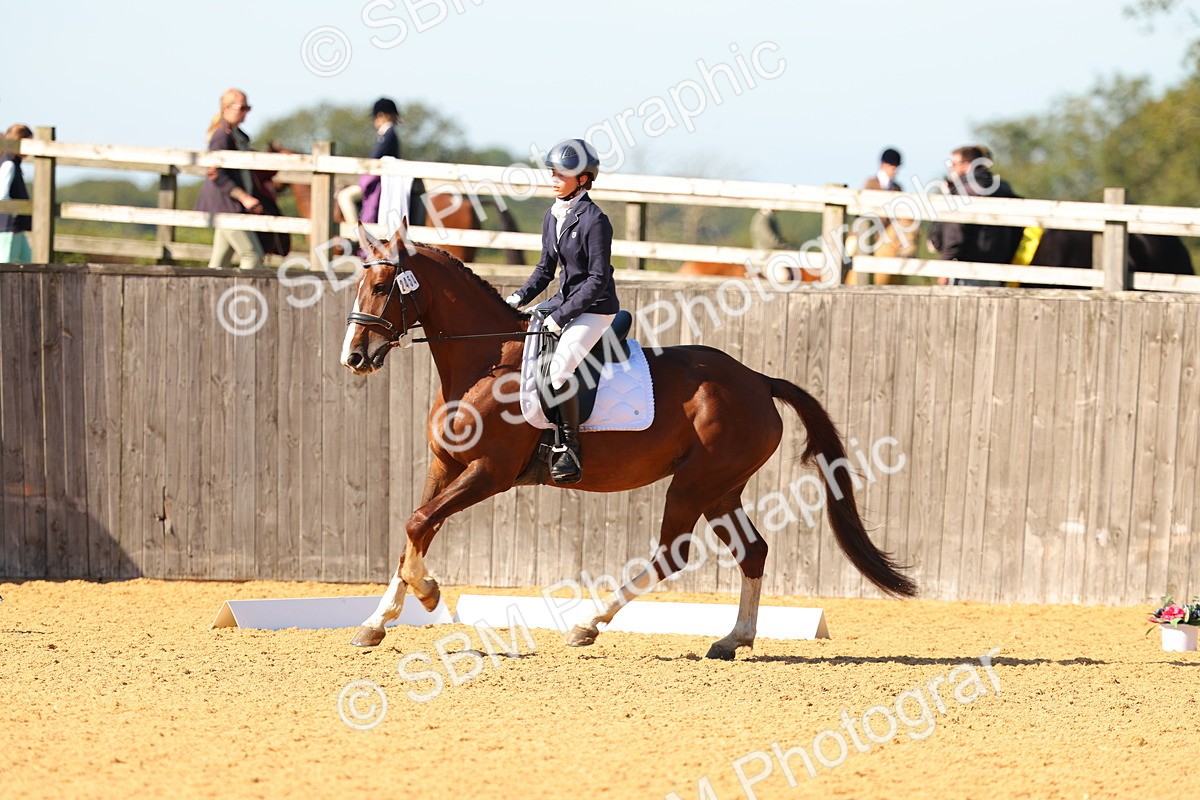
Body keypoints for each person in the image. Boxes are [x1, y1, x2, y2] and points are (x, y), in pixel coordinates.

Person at [505, 139, 619, 485]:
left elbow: (598, 279)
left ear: (583, 180)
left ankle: (569, 447)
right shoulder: (553, 215)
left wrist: (561, 315)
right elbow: (544, 269)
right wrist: (517, 298)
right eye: (552, 172)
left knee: (557, 372)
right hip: (564, 303)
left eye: (561, 173)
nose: (553, 178)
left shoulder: (595, 220)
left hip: (595, 309)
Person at [931, 145, 1022, 287]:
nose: (950, 168)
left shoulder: (964, 191)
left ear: (966, 165)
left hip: (967, 269)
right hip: (998, 269)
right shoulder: (1002, 188)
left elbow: (954, 234)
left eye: (954, 164)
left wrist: (944, 268)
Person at [196, 88, 265, 269]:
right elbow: (215, 173)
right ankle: (245, 295)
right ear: (226, 108)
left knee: (219, 264)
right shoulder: (222, 135)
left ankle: (206, 295)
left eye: (247, 107)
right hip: (226, 206)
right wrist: (245, 198)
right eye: (242, 108)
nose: (246, 112)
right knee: (252, 255)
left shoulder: (234, 135)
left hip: (227, 205)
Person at [341, 97, 403, 226]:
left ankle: (356, 232)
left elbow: (375, 157)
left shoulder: (388, 134)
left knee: (344, 196)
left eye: (376, 116)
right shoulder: (386, 134)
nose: (375, 120)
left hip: (380, 181)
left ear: (383, 115)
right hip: (381, 179)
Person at [0, 124, 34, 263]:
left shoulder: (14, 162)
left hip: (16, 228)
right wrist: (14, 214)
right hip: (9, 227)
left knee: (26, 263)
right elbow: (2, 194)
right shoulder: (9, 163)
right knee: (7, 265)